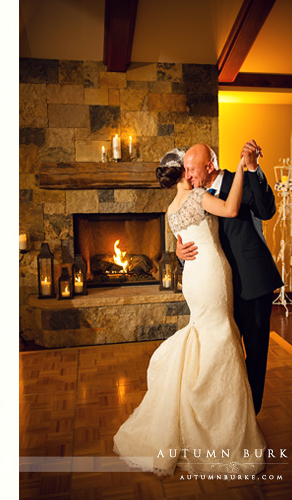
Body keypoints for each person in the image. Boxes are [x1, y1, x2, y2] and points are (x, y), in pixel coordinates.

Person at [113, 147, 266, 476]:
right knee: (219, 337)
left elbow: (187, 238)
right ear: (183, 173)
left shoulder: (170, 210)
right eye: (187, 168)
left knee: (208, 335)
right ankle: (214, 423)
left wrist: (181, 249)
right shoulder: (197, 197)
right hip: (210, 274)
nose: (192, 172)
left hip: (195, 279)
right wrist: (241, 167)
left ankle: (206, 411)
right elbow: (230, 208)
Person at [178, 141, 282, 414]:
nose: (187, 176)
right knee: (224, 354)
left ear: (209, 166)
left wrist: (252, 168)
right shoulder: (195, 197)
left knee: (255, 354)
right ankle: (224, 412)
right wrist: (180, 251)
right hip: (217, 289)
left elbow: (267, 211)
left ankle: (249, 416)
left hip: (252, 283)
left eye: (191, 170)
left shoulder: (241, 180)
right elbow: (190, 235)